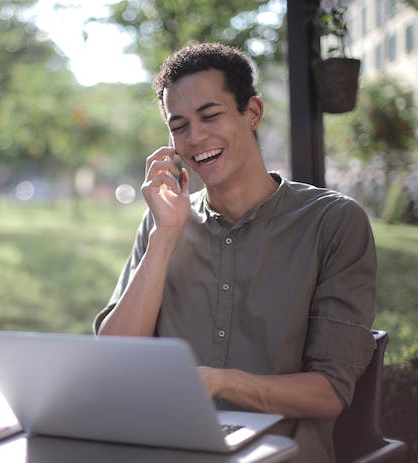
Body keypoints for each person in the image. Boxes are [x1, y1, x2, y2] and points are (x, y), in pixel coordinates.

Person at [93, 42, 376, 462]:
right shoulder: (164, 221)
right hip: (165, 446)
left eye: (210, 116)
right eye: (179, 125)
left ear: (253, 113)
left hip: (280, 453)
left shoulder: (332, 223)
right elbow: (114, 359)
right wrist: (166, 236)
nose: (196, 138)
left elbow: (330, 392)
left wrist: (218, 383)